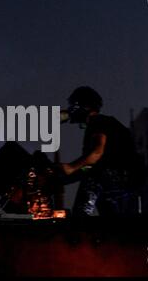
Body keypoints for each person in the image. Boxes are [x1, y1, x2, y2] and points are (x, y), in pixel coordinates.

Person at [59, 86, 141, 218]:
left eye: (73, 105)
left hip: (113, 178)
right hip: (126, 183)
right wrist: (64, 178)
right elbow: (89, 166)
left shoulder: (98, 121)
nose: (70, 110)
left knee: (80, 214)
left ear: (84, 106)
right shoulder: (108, 123)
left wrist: (71, 167)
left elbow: (97, 153)